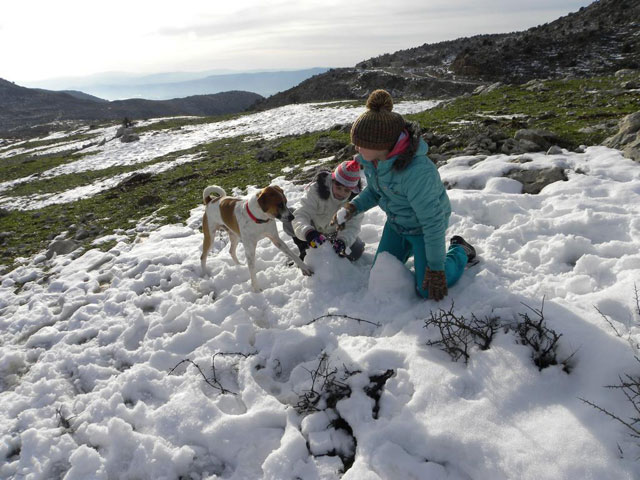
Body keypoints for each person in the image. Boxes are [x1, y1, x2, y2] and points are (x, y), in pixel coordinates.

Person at [332, 89, 476, 301]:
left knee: (427, 289)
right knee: (380, 275)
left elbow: (433, 223)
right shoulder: (374, 162)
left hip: (423, 230)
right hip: (397, 224)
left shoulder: (417, 173)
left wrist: (436, 269)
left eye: (361, 143)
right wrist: (353, 207)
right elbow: (375, 191)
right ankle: (410, 250)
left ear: (380, 145)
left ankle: (461, 251)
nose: (356, 147)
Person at [283, 160, 365, 261]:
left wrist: (342, 241)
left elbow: (353, 226)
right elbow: (302, 213)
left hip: (335, 233)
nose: (341, 193)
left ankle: (334, 250)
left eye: (346, 190)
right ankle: (304, 248)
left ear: (352, 190)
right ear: (332, 180)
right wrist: (308, 232)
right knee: (291, 217)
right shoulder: (317, 190)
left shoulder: (355, 203)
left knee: (356, 251)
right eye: (338, 187)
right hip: (314, 229)